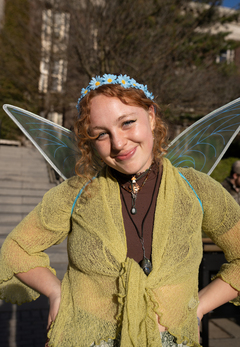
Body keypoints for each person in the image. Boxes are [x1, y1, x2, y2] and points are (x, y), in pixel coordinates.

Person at [0, 74, 240, 347]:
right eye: (101, 134)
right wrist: (56, 293)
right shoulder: (77, 193)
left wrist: (195, 308)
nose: (118, 143)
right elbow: (16, 249)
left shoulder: (198, 189)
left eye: (127, 123)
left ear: (150, 116)